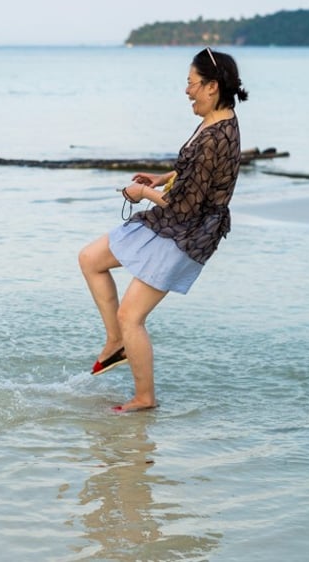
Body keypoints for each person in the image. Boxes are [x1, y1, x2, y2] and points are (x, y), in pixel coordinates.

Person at [78, 47, 247, 412]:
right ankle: (115, 343)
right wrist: (163, 178)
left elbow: (187, 206)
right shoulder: (215, 120)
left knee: (131, 316)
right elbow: (194, 174)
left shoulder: (218, 136)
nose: (187, 91)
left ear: (212, 87)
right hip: (174, 221)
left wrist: (143, 193)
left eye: (191, 84)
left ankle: (144, 397)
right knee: (91, 259)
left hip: (189, 233)